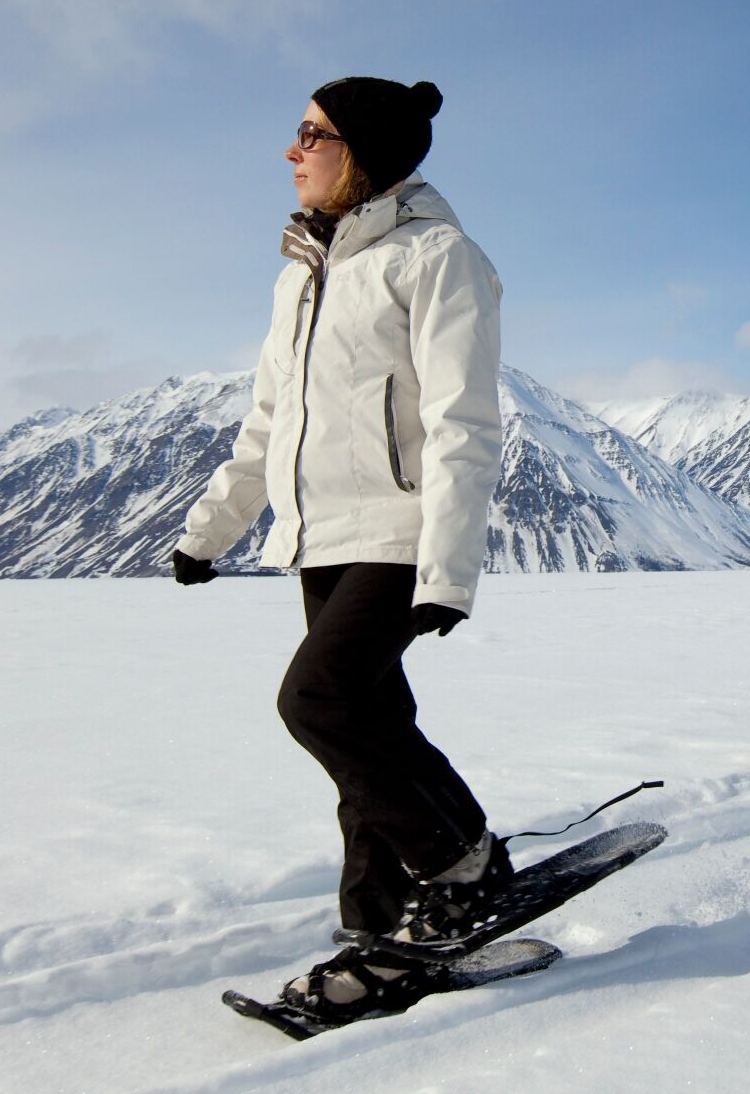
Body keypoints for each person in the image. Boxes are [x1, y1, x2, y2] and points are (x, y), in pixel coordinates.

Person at [170, 76, 507, 1021]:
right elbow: (268, 421)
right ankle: (381, 924)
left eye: (311, 135)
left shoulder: (437, 258)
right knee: (368, 734)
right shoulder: (302, 273)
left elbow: (463, 424)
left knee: (317, 700)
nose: (292, 151)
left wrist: (446, 570)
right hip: (319, 540)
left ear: (359, 152)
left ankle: (457, 869)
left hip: (399, 535)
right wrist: (212, 532)